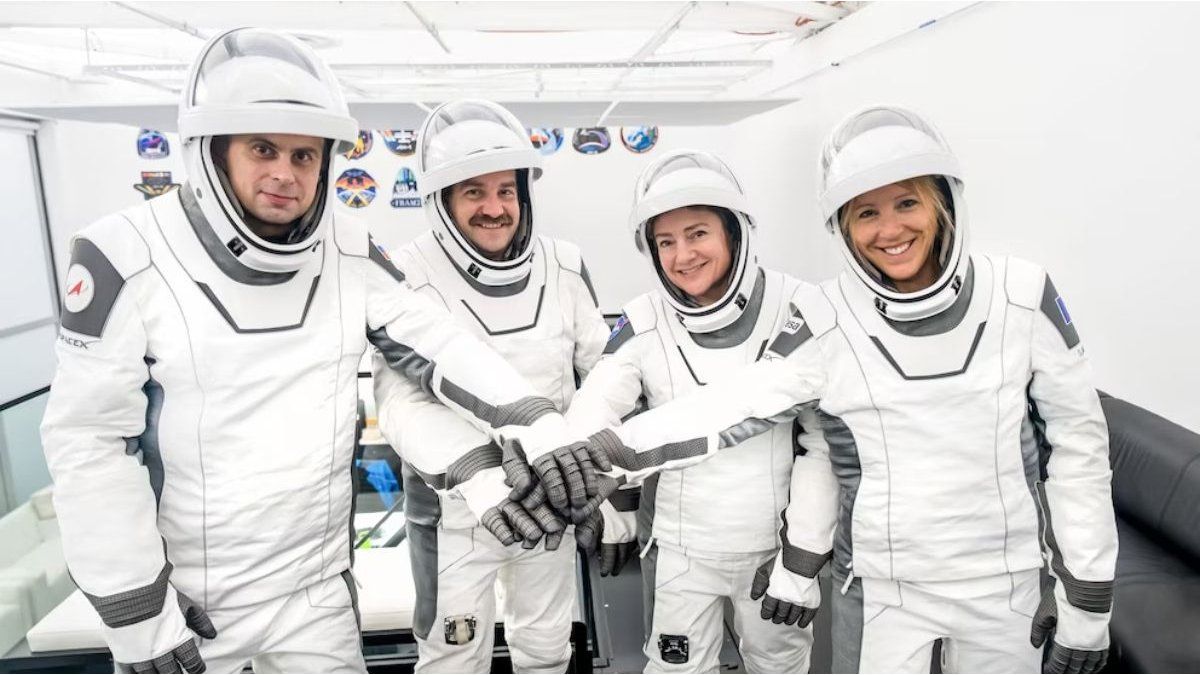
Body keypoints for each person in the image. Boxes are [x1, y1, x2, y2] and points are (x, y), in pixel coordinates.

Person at [40, 30, 587, 674]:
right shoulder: (125, 254)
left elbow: (436, 341)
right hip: (188, 604)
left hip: (317, 590)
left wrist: (537, 423)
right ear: (211, 151)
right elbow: (90, 443)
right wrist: (135, 608)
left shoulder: (348, 248)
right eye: (262, 149)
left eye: (304, 155)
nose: (285, 173)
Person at [585, 105, 1117, 674]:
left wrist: (1087, 595)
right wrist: (594, 457)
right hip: (882, 589)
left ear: (944, 202)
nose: (889, 230)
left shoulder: (1022, 295)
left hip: (1007, 585)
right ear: (843, 226)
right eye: (867, 212)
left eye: (907, 203)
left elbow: (1079, 449)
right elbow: (732, 405)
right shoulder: (826, 315)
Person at [566, 149, 836, 673]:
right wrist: (610, 509)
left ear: (734, 232)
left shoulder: (800, 306)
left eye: (697, 234)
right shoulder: (644, 318)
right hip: (679, 551)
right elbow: (596, 411)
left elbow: (821, 446)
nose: (682, 255)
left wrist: (802, 556)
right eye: (665, 242)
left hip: (770, 552)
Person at [370, 99, 612, 673]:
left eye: (507, 191)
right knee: (451, 656)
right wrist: (477, 473)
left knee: (548, 649)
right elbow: (399, 402)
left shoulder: (564, 264)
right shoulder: (405, 274)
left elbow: (602, 374)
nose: (495, 208)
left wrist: (599, 484)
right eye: (474, 192)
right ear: (441, 200)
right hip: (453, 514)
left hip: (549, 503)